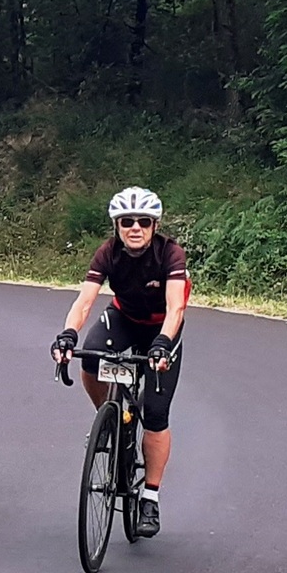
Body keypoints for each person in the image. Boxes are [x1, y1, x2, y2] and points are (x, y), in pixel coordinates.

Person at [51, 186, 188, 537]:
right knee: (91, 360)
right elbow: (84, 302)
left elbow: (176, 308)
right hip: (124, 320)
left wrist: (162, 343)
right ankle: (110, 420)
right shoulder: (108, 253)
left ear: (154, 225)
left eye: (143, 221)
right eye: (127, 221)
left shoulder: (170, 254)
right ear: (117, 225)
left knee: (156, 414)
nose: (135, 228)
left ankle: (150, 497)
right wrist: (68, 335)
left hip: (161, 329)